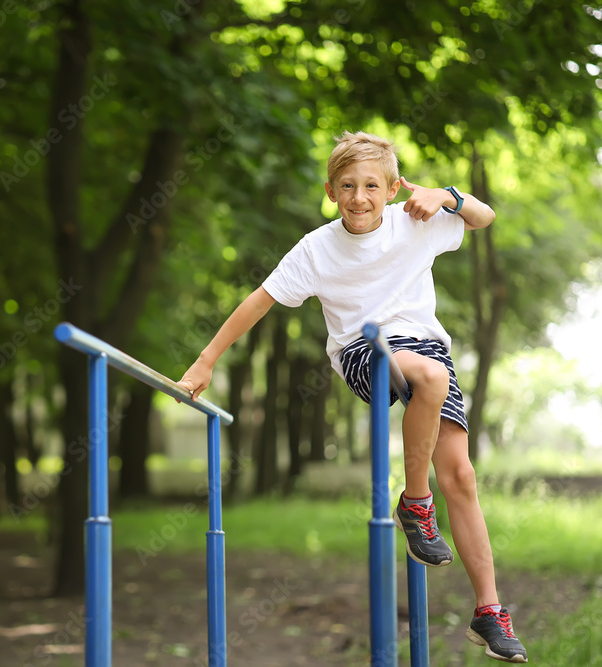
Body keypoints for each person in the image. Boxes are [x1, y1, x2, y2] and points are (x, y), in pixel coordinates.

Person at [178, 131, 528, 663]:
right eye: (347, 186)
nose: (358, 197)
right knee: (430, 379)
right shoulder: (317, 248)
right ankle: (415, 503)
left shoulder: (416, 221)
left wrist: (449, 196)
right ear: (330, 190)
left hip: (427, 347)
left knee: (460, 475)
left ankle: (488, 610)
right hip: (365, 350)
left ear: (391, 190)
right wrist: (206, 360)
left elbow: (485, 218)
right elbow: (259, 301)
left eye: (370, 185)